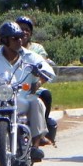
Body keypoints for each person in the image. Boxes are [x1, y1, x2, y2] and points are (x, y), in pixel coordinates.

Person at [0, 21, 55, 162]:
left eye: (20, 37)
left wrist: (39, 81)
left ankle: (35, 145)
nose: (19, 41)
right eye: (15, 38)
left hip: (24, 98)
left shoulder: (30, 56)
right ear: (5, 40)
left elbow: (48, 71)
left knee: (37, 102)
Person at [15, 16, 57, 144]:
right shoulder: (6, 48)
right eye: (21, 29)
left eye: (27, 30)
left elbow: (44, 68)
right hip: (11, 87)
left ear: (31, 33)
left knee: (45, 95)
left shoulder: (37, 49)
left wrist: (38, 83)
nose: (24, 32)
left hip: (32, 86)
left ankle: (41, 131)